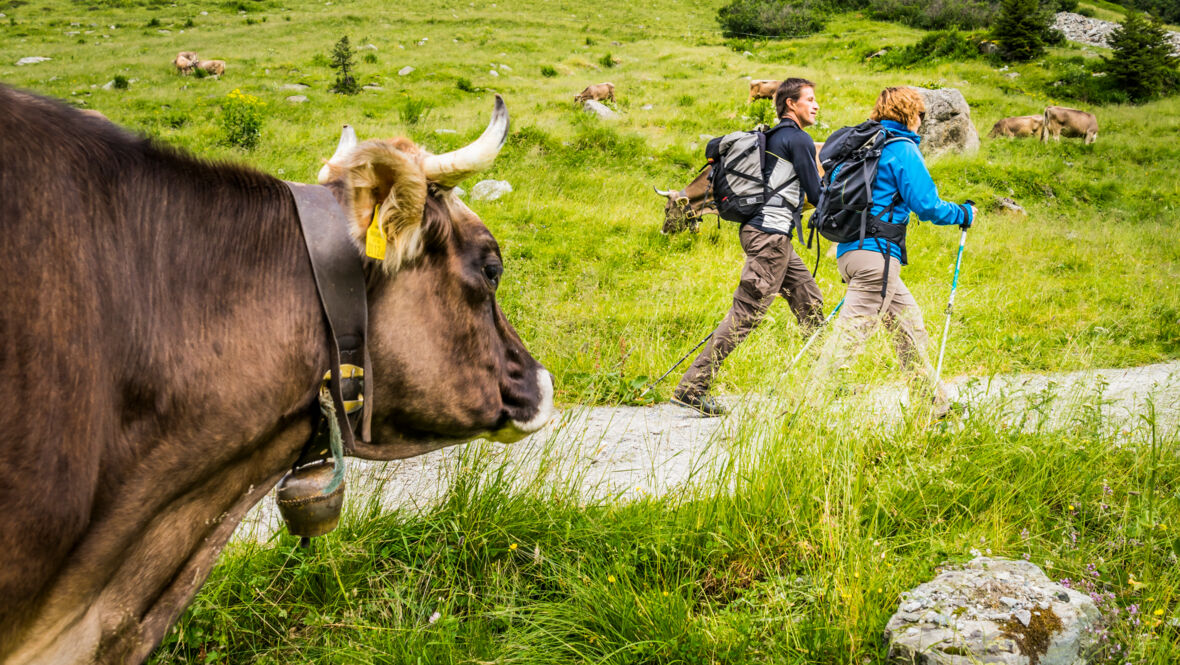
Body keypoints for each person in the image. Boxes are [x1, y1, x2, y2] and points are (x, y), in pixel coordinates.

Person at [810, 86, 976, 416]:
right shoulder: (901, 149)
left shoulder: (864, 147)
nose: (920, 122)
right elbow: (927, 205)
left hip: (849, 251)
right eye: (921, 115)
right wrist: (963, 213)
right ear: (911, 114)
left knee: (909, 326)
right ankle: (805, 408)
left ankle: (933, 404)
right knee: (850, 336)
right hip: (878, 257)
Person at [672, 78, 825, 417]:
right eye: (810, 100)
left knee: (809, 299)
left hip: (771, 235)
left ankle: (826, 378)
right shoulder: (798, 139)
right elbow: (817, 196)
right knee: (747, 313)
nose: (816, 106)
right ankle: (692, 388)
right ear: (790, 105)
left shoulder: (771, 137)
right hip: (770, 236)